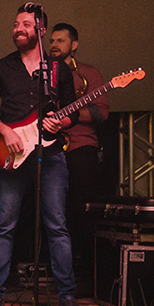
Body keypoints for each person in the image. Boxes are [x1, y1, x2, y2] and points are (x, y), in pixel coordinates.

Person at [0, 3, 84, 306]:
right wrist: (5, 130)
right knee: (4, 224)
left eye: (25, 24)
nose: (18, 29)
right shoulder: (2, 68)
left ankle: (67, 296)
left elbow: (73, 112)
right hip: (12, 154)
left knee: (57, 225)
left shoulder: (57, 69)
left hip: (50, 155)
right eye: (16, 24)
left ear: (41, 30)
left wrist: (61, 123)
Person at [48, 23, 109, 277]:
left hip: (80, 145)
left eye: (60, 41)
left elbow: (101, 113)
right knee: (50, 210)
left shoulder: (88, 73)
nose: (54, 45)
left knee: (81, 208)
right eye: (52, 41)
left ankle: (84, 270)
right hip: (49, 147)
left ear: (74, 45)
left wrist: (68, 116)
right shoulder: (42, 73)